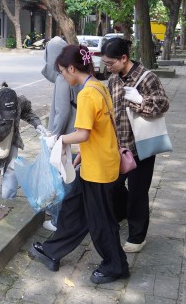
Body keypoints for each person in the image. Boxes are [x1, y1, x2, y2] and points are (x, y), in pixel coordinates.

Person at [28, 44, 129, 285]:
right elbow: (99, 130)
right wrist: (79, 156)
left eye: (63, 71)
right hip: (96, 163)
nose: (62, 76)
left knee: (100, 221)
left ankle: (116, 266)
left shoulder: (86, 94)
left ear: (72, 68)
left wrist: (60, 139)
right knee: (73, 208)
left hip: (99, 170)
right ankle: (52, 251)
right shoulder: (98, 86)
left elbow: (82, 133)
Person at [103, 37, 170, 253]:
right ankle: (122, 213)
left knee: (138, 192)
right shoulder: (113, 80)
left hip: (141, 145)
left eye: (111, 63)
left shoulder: (146, 78)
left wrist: (139, 101)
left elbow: (163, 104)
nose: (108, 67)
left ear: (124, 58)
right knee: (112, 186)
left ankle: (137, 236)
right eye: (106, 63)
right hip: (118, 145)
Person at [40, 36, 82, 232]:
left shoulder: (61, 77)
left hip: (67, 134)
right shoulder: (73, 73)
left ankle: (59, 220)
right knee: (67, 174)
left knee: (62, 176)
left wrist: (54, 136)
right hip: (75, 131)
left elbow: (62, 111)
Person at [0, 83, 46, 199]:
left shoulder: (20, 100)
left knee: (11, 169)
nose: (10, 117)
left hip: (12, 136)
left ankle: (9, 201)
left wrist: (37, 125)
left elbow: (27, 112)